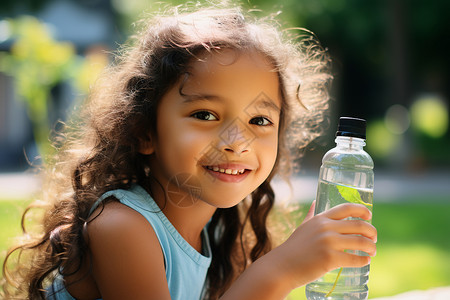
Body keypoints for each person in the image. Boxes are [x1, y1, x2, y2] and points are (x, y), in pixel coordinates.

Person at [2, 3, 377, 300]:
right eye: (205, 114)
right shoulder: (120, 227)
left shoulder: (214, 231)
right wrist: (282, 270)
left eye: (260, 120)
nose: (237, 140)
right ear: (144, 130)